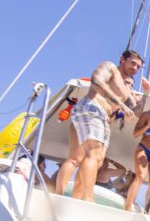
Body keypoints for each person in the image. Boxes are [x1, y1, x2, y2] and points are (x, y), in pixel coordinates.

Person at [55, 50, 144, 200]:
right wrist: (121, 103)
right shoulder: (110, 68)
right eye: (132, 63)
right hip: (92, 108)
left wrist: (145, 94)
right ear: (122, 59)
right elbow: (96, 81)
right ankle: (86, 199)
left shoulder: (126, 89)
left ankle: (74, 198)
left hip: (100, 119)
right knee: (93, 156)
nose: (135, 68)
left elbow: (135, 112)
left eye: (138, 67)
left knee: (78, 158)